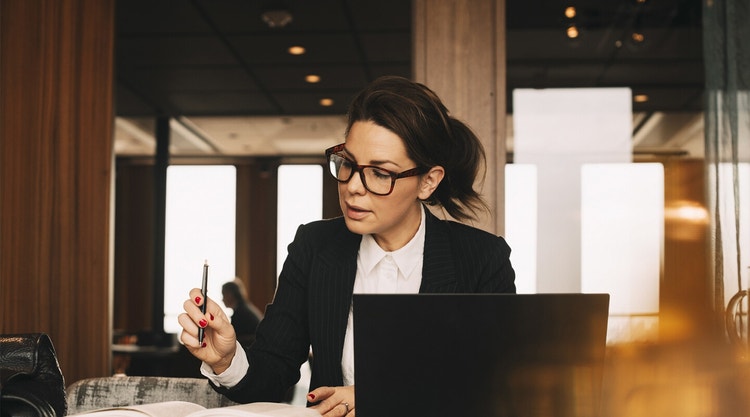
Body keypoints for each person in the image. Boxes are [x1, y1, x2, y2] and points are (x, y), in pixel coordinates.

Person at [179, 75, 516, 417]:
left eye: (380, 173)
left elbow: (493, 389)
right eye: (349, 164)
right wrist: (227, 358)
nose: (353, 186)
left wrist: (383, 398)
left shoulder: (482, 259)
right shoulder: (314, 247)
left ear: (428, 181)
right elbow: (273, 372)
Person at [221, 279, 262, 348]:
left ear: (230, 295)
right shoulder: (244, 308)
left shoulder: (240, 313)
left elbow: (235, 338)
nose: (222, 299)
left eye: (224, 295)